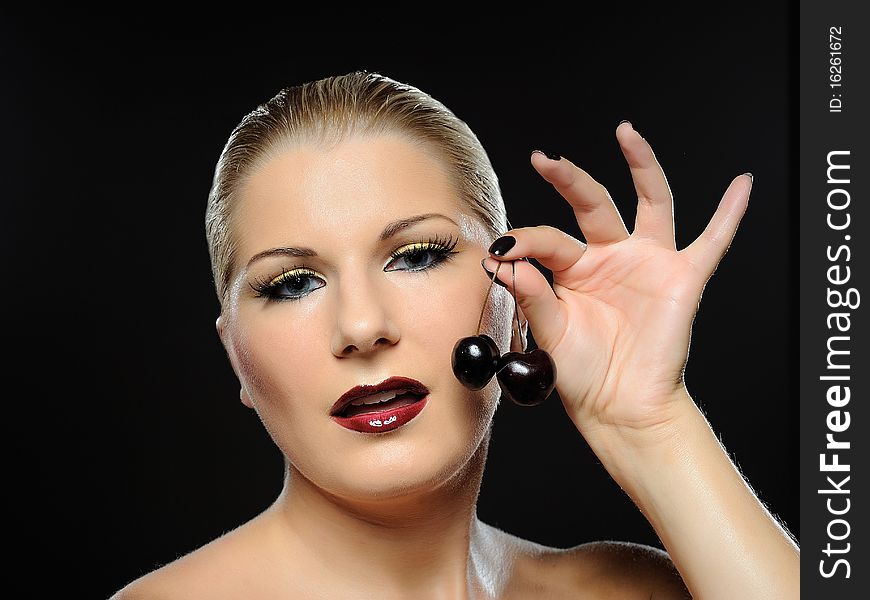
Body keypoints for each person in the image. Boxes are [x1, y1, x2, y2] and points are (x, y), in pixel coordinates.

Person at [111, 70, 799, 599]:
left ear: (516, 294)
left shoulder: (631, 590)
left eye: (415, 256)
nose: (362, 327)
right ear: (235, 351)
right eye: (292, 283)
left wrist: (652, 427)